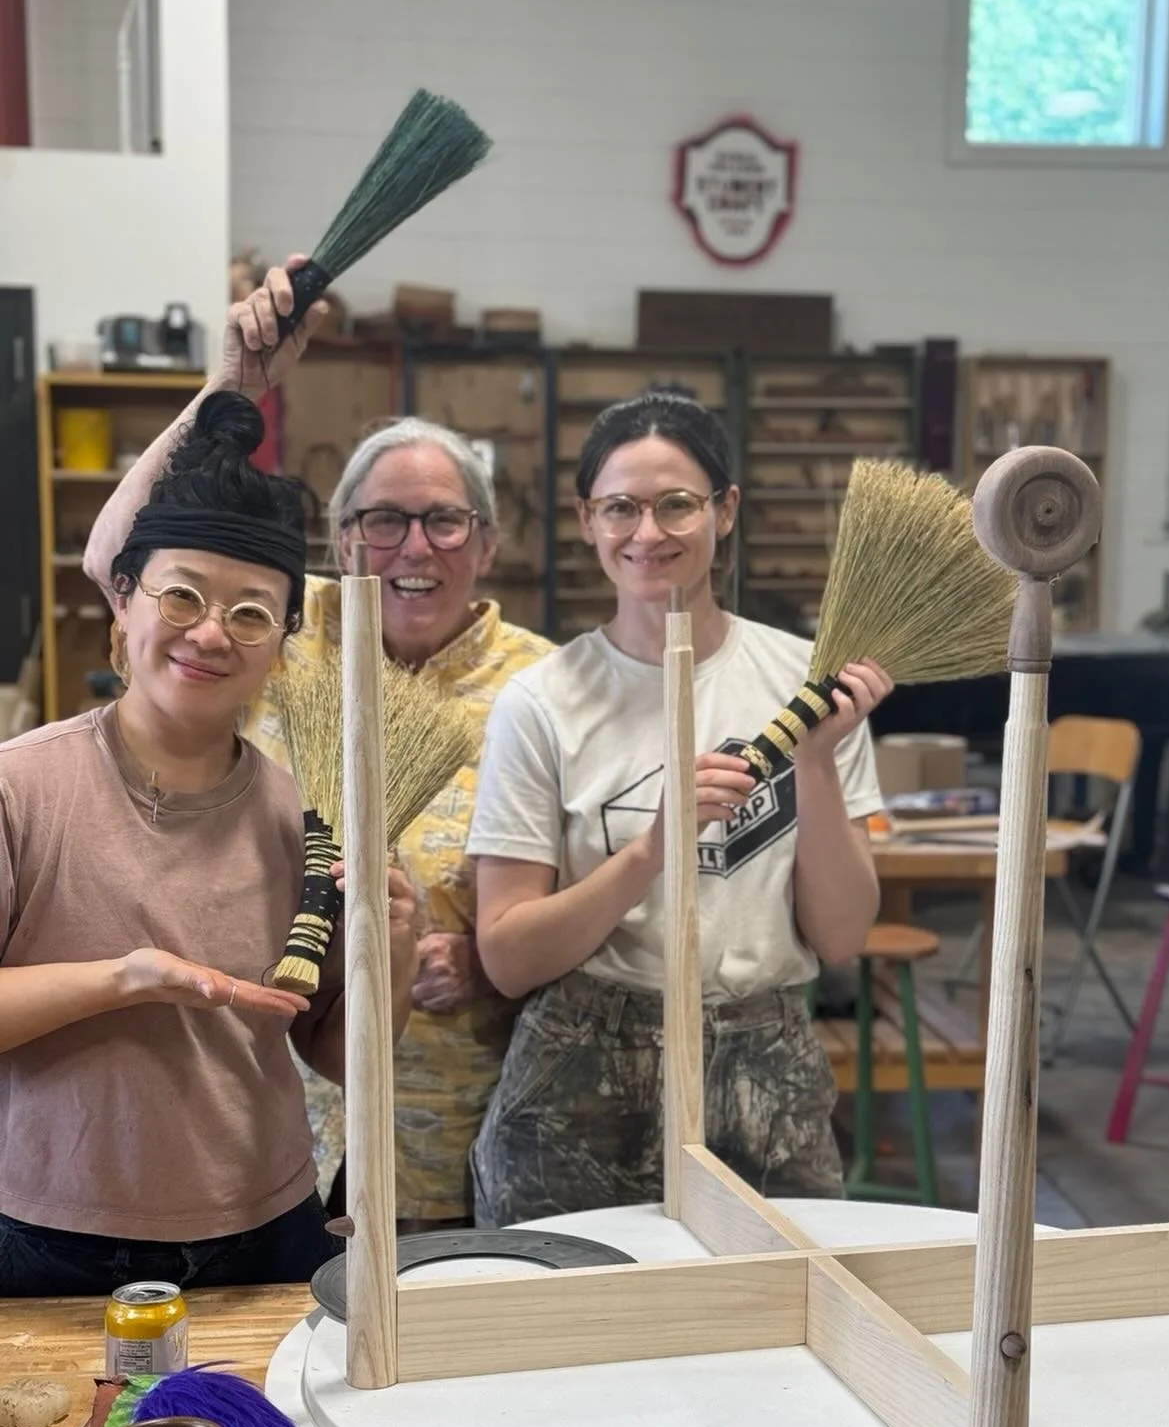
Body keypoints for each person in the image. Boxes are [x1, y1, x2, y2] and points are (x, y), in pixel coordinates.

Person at [84, 258, 553, 1230]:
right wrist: (234, 385)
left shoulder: (545, 683)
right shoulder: (276, 633)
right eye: (383, 520)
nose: (413, 548)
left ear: (488, 542)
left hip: (479, 1115)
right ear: (341, 540)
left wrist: (487, 952)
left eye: (443, 522)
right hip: (269, 1113)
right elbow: (118, 560)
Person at [0, 391, 418, 1296]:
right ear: (126, 597)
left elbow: (335, 1055)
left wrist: (397, 944)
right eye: (181, 594)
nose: (208, 633)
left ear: (283, 643)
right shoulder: (21, 785)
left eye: (252, 613)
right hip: (50, 1234)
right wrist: (123, 979)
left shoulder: (303, 816)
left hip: (264, 1228)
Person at [466, 392, 890, 1227]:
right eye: (620, 507)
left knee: (775, 1331)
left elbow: (842, 936)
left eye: (676, 504)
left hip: (765, 1063)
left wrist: (815, 758)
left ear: (724, 511)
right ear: (587, 519)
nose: (647, 533)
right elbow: (508, 956)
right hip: (582, 1076)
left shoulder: (807, 681)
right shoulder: (542, 702)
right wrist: (650, 852)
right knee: (578, 1331)